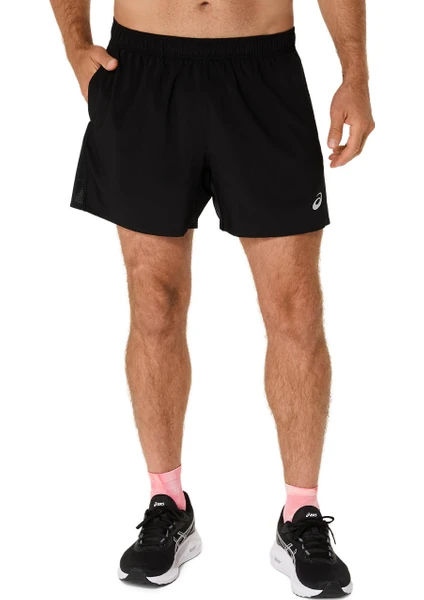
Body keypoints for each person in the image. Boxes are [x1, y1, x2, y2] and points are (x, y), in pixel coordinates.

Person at [50, 0, 374, 596]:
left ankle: (300, 515)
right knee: (154, 303)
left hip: (262, 69)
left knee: (296, 308)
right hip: (143, 68)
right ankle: (167, 503)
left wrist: (355, 74)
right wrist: (75, 43)